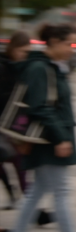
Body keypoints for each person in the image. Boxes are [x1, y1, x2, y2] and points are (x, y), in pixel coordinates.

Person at [2, 24, 76, 232]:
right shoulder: (40, 67)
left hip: (47, 137)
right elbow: (40, 107)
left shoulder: (52, 67)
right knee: (61, 190)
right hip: (48, 138)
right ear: (55, 42)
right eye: (69, 44)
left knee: (37, 190)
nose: (72, 49)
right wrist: (61, 138)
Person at [1, 31, 33, 210]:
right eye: (22, 51)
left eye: (28, 52)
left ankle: (30, 205)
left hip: (15, 124)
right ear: (12, 48)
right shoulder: (4, 67)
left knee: (20, 164)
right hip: (3, 122)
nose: (24, 55)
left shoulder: (23, 67)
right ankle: (17, 196)